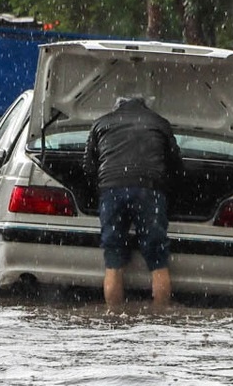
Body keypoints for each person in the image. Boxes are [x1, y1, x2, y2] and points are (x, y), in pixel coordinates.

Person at [84, 95, 183, 311]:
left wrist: (100, 192)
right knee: (158, 258)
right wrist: (166, 193)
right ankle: (159, 316)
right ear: (145, 107)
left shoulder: (101, 123)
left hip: (111, 189)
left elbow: (89, 168)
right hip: (149, 190)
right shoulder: (159, 123)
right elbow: (176, 166)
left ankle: (114, 315)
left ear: (117, 107)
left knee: (113, 258)